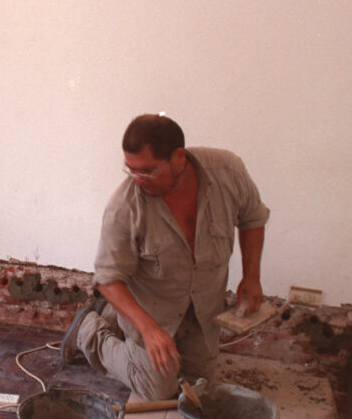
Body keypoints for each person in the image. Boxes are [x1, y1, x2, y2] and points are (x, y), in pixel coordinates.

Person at [62, 114, 269, 400]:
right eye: (131, 170)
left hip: (203, 313)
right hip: (154, 314)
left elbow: (253, 218)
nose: (138, 180)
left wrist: (252, 277)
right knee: (158, 389)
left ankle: (116, 317)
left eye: (147, 172)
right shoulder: (124, 207)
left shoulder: (227, 170)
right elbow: (107, 279)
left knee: (200, 388)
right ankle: (90, 331)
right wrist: (149, 330)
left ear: (178, 158)